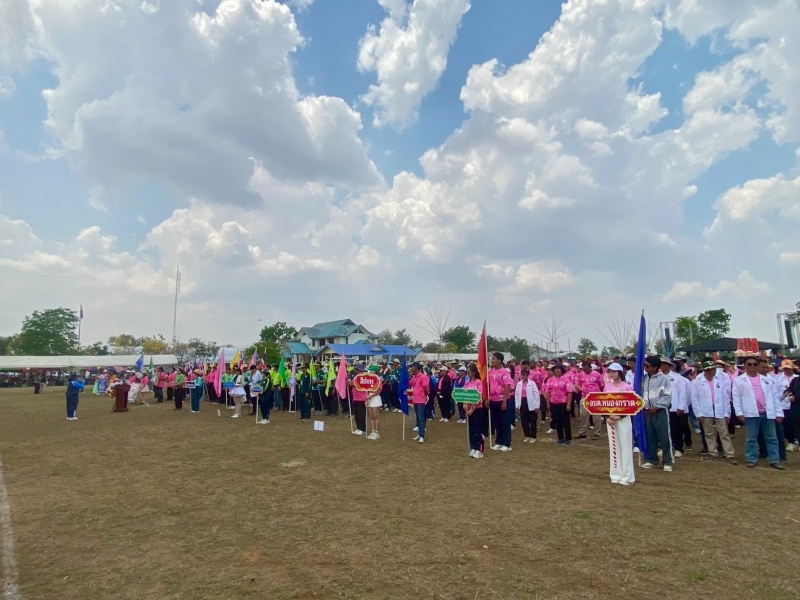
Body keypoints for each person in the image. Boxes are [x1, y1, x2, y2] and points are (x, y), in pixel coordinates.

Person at [732, 356, 784, 469]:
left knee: (772, 438)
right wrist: (739, 412)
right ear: (745, 366)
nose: (752, 366)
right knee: (751, 438)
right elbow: (736, 397)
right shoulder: (739, 380)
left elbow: (775, 397)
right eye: (749, 364)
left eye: (754, 364)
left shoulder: (767, 380)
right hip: (750, 413)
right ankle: (751, 459)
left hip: (767, 412)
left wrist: (779, 412)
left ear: (757, 366)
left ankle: (774, 460)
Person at [690, 361, 737, 465]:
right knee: (709, 433)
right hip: (705, 410)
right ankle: (713, 452)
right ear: (706, 370)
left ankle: (729, 454)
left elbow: (725, 398)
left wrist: (727, 413)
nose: (714, 371)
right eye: (711, 369)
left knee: (724, 433)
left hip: (719, 410)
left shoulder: (719, 381)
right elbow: (694, 399)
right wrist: (698, 413)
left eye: (714, 369)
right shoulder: (698, 382)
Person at [600, 363, 635, 484]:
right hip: (611, 420)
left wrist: (620, 416)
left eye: (614, 371)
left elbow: (631, 404)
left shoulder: (627, 387)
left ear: (620, 372)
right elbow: (603, 403)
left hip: (623, 419)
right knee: (614, 447)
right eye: (610, 371)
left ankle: (627, 476)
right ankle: (616, 474)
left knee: (626, 447)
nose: (611, 374)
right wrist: (606, 417)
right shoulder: (607, 386)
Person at [642, 356, 674, 472]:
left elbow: (667, 396)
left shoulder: (664, 379)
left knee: (664, 436)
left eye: (647, 366)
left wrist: (656, 406)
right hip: (646, 411)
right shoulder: (643, 378)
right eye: (644, 365)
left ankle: (668, 461)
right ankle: (651, 459)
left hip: (660, 411)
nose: (645, 368)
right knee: (650, 436)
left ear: (655, 367)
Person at [660, 357, 690, 458]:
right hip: (661, 406)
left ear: (669, 365)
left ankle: (678, 448)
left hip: (674, 407)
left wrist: (681, 406)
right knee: (663, 429)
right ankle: (664, 448)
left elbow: (683, 392)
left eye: (665, 364)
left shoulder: (677, 377)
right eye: (661, 364)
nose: (663, 366)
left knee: (676, 429)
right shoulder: (657, 377)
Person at [487, 352, 514, 452]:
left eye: (494, 359)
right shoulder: (491, 372)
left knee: (505, 422)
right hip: (493, 400)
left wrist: (504, 401)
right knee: (497, 422)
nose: (492, 360)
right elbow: (489, 385)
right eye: (492, 358)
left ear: (499, 360)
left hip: (502, 400)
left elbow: (507, 386)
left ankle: (507, 444)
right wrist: (488, 398)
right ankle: (499, 442)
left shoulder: (504, 372)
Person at [771, 359, 797, 453]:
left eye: (788, 368)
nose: (787, 370)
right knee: (787, 425)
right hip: (784, 405)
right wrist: (783, 395)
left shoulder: (797, 378)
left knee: (797, 423)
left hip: (796, 405)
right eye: (785, 368)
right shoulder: (777, 379)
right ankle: (791, 441)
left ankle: (797, 440)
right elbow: (775, 394)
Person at [544, 364, 572, 446]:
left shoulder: (566, 379)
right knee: (557, 421)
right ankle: (560, 438)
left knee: (565, 422)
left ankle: (568, 438)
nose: (557, 370)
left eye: (558, 369)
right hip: (554, 403)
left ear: (562, 370)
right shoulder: (550, 380)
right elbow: (548, 392)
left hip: (563, 404)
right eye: (555, 369)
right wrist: (548, 403)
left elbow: (569, 392)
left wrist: (568, 404)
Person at [576, 359, 605, 440]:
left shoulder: (597, 374)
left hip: (595, 397)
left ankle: (597, 433)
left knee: (596, 417)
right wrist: (582, 389)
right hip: (585, 397)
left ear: (590, 367)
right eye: (584, 369)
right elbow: (577, 384)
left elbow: (602, 385)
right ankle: (582, 432)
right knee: (583, 415)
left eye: (586, 369)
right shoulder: (580, 374)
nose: (585, 371)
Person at [462, 364, 485, 457]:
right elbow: (464, 394)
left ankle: (479, 449)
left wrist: (472, 408)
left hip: (477, 409)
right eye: (467, 372)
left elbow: (479, 397)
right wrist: (464, 404)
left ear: (474, 372)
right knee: (471, 430)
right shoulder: (467, 382)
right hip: (469, 410)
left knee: (478, 429)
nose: (467, 373)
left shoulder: (478, 382)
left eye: (469, 372)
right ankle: (473, 447)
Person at [515, 367, 540, 443]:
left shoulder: (532, 383)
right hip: (522, 402)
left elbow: (536, 394)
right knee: (524, 420)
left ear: (528, 375)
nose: (525, 376)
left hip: (531, 402)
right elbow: (516, 395)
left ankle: (533, 436)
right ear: (521, 375)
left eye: (526, 374)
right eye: (523, 374)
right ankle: (527, 435)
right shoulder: (519, 384)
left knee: (532, 420)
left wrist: (537, 406)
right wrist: (517, 405)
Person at [407, 362, 430, 443]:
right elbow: (409, 383)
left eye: (413, 367)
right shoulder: (414, 376)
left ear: (417, 368)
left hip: (420, 400)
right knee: (418, 417)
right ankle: (420, 434)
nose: (411, 368)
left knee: (421, 418)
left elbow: (426, 388)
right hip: (415, 400)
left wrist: (424, 395)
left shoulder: (423, 377)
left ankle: (421, 435)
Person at [348, 364, 369, 435]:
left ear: (358, 370)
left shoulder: (362, 377)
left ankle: (363, 429)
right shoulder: (356, 376)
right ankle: (359, 428)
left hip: (361, 398)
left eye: (355, 369)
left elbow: (353, 384)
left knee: (361, 414)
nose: (354, 370)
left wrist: (347, 381)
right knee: (357, 414)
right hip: (356, 397)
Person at [366, 365, 384, 440]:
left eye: (371, 370)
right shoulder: (369, 379)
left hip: (375, 397)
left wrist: (370, 396)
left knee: (376, 416)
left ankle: (377, 433)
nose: (370, 371)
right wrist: (367, 398)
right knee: (371, 416)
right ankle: (373, 432)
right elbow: (366, 389)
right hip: (369, 397)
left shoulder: (378, 379)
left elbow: (379, 390)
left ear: (375, 371)